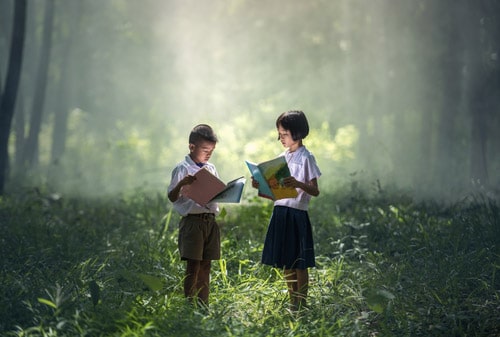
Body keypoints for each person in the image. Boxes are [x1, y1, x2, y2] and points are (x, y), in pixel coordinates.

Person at [251, 110, 321, 310]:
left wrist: (298, 183)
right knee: (287, 261)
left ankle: (303, 303)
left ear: (297, 133)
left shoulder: (307, 157)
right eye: (279, 134)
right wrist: (261, 185)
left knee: (300, 261)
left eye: (284, 134)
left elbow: (315, 190)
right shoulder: (282, 158)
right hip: (280, 211)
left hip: (297, 213)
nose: (280, 138)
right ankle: (293, 303)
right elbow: (274, 191)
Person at [167, 124, 221, 307]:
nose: (208, 154)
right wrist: (182, 184)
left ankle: (203, 304)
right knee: (193, 265)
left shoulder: (211, 168)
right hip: (193, 223)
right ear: (192, 147)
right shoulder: (182, 168)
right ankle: (190, 305)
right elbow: (171, 197)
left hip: (210, 222)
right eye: (205, 150)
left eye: (211, 150)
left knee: (206, 264)